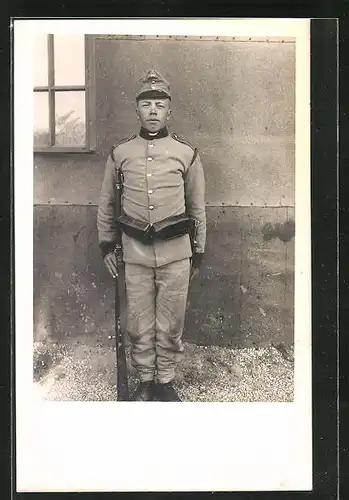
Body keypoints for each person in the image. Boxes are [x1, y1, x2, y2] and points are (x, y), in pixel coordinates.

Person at [97, 69, 206, 401]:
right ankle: (145, 379)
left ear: (169, 111)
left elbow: (197, 205)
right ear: (137, 111)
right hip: (135, 253)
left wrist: (198, 250)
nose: (154, 111)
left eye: (160, 105)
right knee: (139, 323)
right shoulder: (121, 155)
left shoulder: (186, 154)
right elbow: (107, 203)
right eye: (147, 105)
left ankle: (165, 381)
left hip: (176, 253)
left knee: (171, 322)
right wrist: (106, 245)